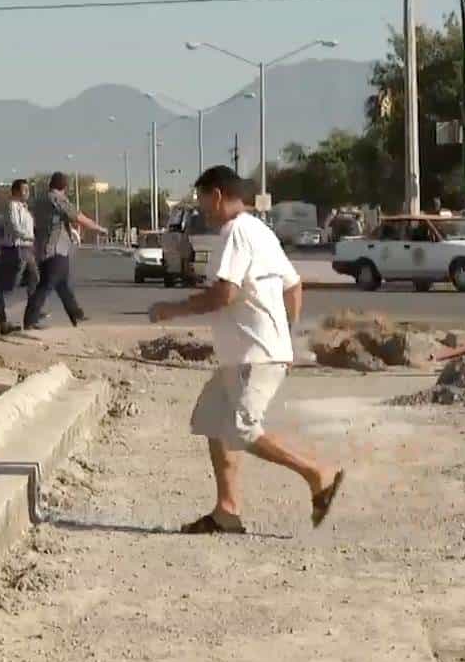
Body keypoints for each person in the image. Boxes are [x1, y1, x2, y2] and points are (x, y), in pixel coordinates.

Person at [147, 165, 344, 534]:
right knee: (211, 420)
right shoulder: (261, 231)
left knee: (241, 430)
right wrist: (285, 334)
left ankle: (318, 473)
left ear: (216, 195)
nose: (202, 208)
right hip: (246, 354)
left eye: (203, 199)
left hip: (254, 356)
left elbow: (225, 293)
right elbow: (294, 286)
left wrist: (172, 310)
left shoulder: (235, 231)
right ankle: (227, 510)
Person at [23, 171, 106, 330]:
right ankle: (30, 320)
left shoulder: (40, 200)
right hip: (56, 249)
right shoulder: (58, 199)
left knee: (62, 285)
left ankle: (76, 314)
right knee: (46, 285)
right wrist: (99, 229)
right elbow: (77, 217)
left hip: (43, 248)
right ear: (65, 187)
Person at [0, 179, 40, 335]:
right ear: (15, 191)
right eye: (24, 190)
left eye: (28, 190)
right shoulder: (12, 207)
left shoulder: (26, 208)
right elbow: (15, 227)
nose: (27, 193)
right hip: (16, 249)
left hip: (27, 249)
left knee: (34, 279)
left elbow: (30, 227)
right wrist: (29, 237)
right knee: (11, 284)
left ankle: (32, 318)